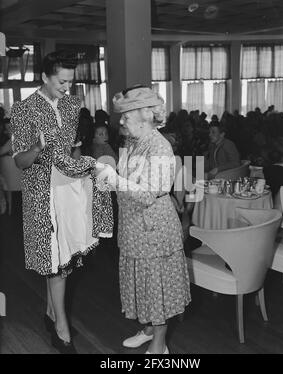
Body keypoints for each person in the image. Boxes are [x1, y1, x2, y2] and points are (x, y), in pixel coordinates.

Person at [10, 50, 113, 354]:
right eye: (61, 82)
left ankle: (50, 312)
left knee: (63, 259)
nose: (67, 87)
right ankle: (61, 326)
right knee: (55, 262)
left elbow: (74, 151)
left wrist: (84, 176)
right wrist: (39, 150)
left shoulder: (72, 104)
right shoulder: (24, 109)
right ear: (44, 77)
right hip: (43, 195)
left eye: (70, 81)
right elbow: (19, 161)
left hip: (70, 190)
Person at [97, 86, 191, 354]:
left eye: (126, 115)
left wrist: (113, 178)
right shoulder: (133, 142)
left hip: (154, 230)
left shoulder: (160, 146)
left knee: (157, 287)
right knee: (144, 284)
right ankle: (149, 330)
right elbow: (129, 181)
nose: (121, 121)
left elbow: (149, 193)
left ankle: (159, 346)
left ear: (144, 114)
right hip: (134, 226)